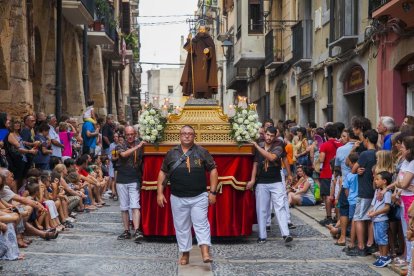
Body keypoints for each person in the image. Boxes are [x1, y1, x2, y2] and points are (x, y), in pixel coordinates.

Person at [156, 125, 218, 265]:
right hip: (178, 197)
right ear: (180, 135)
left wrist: (213, 192)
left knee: (201, 224)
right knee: (182, 227)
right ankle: (185, 254)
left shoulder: (202, 152)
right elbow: (163, 172)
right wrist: (159, 193)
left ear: (194, 136)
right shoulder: (171, 153)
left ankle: (205, 252)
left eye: (190, 134)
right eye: (184, 133)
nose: (187, 136)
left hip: (199, 196)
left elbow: (213, 170)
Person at [246, 126, 293, 244]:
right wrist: (252, 180)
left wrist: (289, 174)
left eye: (272, 136)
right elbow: (256, 164)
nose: (269, 138)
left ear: (275, 136)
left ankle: (286, 234)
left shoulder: (278, 144)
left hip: (276, 180)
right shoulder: (260, 143)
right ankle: (262, 235)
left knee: (280, 206)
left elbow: (272, 157)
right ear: (264, 134)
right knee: (261, 208)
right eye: (267, 135)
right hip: (262, 180)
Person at [347, 129, 378, 257]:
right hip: (375, 191)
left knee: (359, 218)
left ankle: (361, 246)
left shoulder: (365, 154)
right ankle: (370, 244)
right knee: (371, 218)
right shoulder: (379, 153)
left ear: (366, 139)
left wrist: (357, 170)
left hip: (364, 190)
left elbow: (353, 169)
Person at [115, 126, 145, 243]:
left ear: (135, 134)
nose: (130, 136)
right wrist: (138, 147)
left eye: (132, 134)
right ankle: (126, 230)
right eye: (128, 134)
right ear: (125, 135)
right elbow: (123, 155)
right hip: (122, 179)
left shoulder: (140, 143)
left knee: (135, 205)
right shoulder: (120, 145)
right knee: (124, 206)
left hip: (135, 178)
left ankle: (137, 230)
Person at [180, 25, 218, 98]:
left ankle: (206, 95)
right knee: (196, 79)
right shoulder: (195, 39)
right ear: (198, 30)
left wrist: (208, 50)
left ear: (205, 30)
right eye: (200, 29)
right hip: (196, 63)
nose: (202, 31)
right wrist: (189, 40)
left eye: (203, 29)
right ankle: (196, 94)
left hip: (206, 63)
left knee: (205, 79)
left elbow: (212, 49)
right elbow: (190, 49)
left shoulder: (209, 39)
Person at [368, 171, 393, 268]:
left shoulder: (387, 193)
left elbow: (387, 207)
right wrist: (371, 211)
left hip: (382, 219)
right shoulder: (377, 191)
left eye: (378, 179)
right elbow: (373, 204)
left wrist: (375, 213)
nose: (375, 181)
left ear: (384, 181)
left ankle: (385, 256)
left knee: (383, 239)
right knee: (378, 239)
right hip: (376, 219)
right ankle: (382, 256)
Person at [318, 125, 341, 226]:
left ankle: (328, 217)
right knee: (337, 195)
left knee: (328, 195)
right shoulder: (341, 144)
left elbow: (322, 159)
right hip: (338, 173)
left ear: (326, 134)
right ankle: (337, 217)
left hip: (327, 172)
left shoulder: (325, 145)